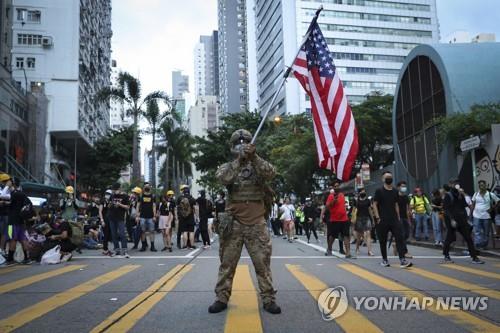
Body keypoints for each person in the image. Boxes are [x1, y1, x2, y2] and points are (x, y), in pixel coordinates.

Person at [209, 129, 281, 315]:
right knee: (227, 264)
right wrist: (239, 161)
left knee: (262, 264)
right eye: (238, 142)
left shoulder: (259, 164)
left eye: (245, 141)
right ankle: (222, 297)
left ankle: (268, 298)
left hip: (256, 223)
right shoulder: (229, 166)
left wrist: (254, 157)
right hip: (233, 224)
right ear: (232, 146)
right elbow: (223, 178)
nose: (242, 144)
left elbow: (271, 173)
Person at [372, 171, 412, 268]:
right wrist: (377, 217)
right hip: (382, 220)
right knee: (383, 240)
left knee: (400, 238)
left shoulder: (395, 191)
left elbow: (396, 205)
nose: (389, 178)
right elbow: (374, 204)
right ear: (383, 179)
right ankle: (384, 260)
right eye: (387, 177)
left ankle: (402, 259)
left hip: (394, 219)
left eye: (390, 177)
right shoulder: (379, 191)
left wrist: (398, 218)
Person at [442, 181, 484, 264]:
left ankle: (474, 257)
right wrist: (452, 220)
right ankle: (446, 255)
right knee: (450, 238)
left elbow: (465, 205)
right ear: (451, 185)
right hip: (452, 220)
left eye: (457, 184)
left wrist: (462, 195)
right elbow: (446, 209)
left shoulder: (460, 195)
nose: (456, 185)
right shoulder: (448, 195)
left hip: (462, 220)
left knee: (468, 238)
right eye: (454, 184)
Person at [5, 177, 33, 265]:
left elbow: (3, 195)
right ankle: (27, 258)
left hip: (12, 221)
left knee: (12, 239)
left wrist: (6, 187)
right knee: (22, 239)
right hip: (20, 220)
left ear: (12, 184)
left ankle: (10, 259)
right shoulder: (21, 194)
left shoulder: (14, 193)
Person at [324, 181, 353, 258]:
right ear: (333, 188)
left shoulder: (342, 195)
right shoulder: (330, 196)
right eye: (335, 186)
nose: (337, 187)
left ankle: (348, 252)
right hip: (335, 220)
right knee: (332, 236)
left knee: (346, 235)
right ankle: (329, 249)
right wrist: (333, 201)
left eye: (338, 186)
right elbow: (327, 207)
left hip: (344, 219)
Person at [471, 180, 499, 250]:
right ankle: (478, 245)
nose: (482, 187)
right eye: (480, 185)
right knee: (477, 231)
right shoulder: (476, 194)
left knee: (486, 232)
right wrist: (471, 213)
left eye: (483, 185)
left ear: (486, 186)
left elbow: (498, 201)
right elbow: (473, 204)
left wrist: (492, 208)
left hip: (486, 216)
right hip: (476, 215)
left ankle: (483, 245)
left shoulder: (490, 194)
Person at [108, 183, 130, 257]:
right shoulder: (112, 195)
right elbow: (109, 205)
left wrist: (120, 204)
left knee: (122, 234)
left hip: (120, 217)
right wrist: (110, 204)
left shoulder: (125, 196)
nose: (114, 191)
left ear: (120, 189)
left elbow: (127, 207)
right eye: (113, 190)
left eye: (116, 189)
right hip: (112, 217)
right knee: (114, 234)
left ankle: (125, 250)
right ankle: (116, 250)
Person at [137, 183, 157, 252]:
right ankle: (143, 246)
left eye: (148, 186)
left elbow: (154, 206)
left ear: (150, 188)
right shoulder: (141, 196)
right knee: (143, 232)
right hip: (142, 216)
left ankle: (152, 246)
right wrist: (137, 216)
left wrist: (154, 216)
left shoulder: (153, 196)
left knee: (152, 231)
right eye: (145, 186)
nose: (147, 187)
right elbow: (138, 206)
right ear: (143, 188)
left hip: (151, 217)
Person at [353, 189, 374, 256]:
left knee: (368, 233)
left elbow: (370, 210)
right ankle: (357, 248)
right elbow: (354, 211)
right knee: (359, 236)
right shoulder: (357, 201)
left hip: (367, 218)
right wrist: (353, 219)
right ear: (359, 193)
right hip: (359, 219)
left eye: (364, 191)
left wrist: (372, 219)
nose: (363, 192)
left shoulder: (368, 201)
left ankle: (369, 251)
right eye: (362, 191)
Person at [177, 185, 197, 249]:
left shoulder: (180, 198)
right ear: (189, 191)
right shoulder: (192, 198)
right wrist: (196, 216)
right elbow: (195, 208)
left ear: (183, 191)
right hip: (190, 217)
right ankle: (192, 245)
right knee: (191, 232)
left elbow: (177, 208)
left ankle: (185, 245)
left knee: (184, 231)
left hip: (182, 217)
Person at [396, 181, 412, 258]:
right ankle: (405, 252)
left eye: (404, 186)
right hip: (398, 218)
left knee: (406, 234)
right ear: (398, 187)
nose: (404, 188)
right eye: (402, 186)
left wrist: (409, 220)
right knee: (402, 235)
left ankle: (396, 244)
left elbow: (408, 209)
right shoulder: (396, 196)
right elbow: (395, 208)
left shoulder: (406, 197)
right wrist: (398, 218)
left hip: (405, 217)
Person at [0, 173, 12, 257]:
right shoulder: (4, 189)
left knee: (5, 233)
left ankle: (2, 250)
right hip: (3, 215)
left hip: (6, 215)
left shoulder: (11, 190)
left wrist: (4, 202)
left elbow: (4, 196)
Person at [99, 189, 113, 256]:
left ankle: (106, 249)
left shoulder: (110, 201)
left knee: (109, 235)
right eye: (106, 194)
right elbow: (100, 211)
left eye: (109, 194)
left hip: (110, 220)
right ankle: (105, 250)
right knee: (106, 235)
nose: (107, 195)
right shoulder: (102, 201)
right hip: (104, 220)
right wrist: (102, 220)